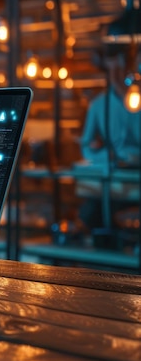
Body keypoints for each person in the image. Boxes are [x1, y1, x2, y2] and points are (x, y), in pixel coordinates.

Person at [77, 44, 141, 230]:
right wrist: (107, 156)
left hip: (136, 173)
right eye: (113, 68)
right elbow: (86, 146)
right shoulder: (98, 105)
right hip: (115, 177)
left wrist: (125, 98)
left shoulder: (136, 102)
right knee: (91, 214)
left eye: (121, 68)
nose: (118, 73)